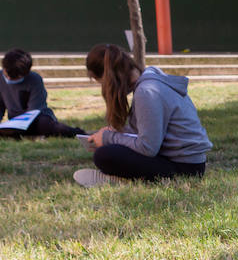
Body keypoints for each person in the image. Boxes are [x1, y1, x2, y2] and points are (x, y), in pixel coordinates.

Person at [73, 43, 212, 187]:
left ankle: (124, 180)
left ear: (109, 78)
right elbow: (149, 131)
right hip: (188, 163)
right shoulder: (150, 80)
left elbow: (147, 147)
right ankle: (126, 178)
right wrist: (116, 133)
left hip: (185, 169)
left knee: (104, 155)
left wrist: (109, 138)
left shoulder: (146, 92)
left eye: (102, 84)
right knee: (109, 150)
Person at [0, 48, 86, 141]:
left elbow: (35, 110)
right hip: (14, 122)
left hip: (36, 119)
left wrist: (17, 124)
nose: (8, 79)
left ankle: (76, 132)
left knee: (46, 124)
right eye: (6, 75)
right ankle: (20, 135)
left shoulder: (34, 79)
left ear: (24, 74)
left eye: (14, 77)